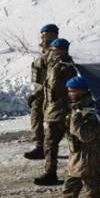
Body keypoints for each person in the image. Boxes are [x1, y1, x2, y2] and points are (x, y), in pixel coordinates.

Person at [35, 38, 78, 186]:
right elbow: (48, 87)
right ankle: (52, 173)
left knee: (61, 143)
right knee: (52, 144)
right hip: (54, 111)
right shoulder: (54, 65)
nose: (52, 53)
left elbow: (65, 92)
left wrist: (68, 112)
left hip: (62, 112)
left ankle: (75, 173)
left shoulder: (65, 67)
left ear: (61, 50)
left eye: (54, 50)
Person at [24, 24, 59, 160]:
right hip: (44, 90)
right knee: (38, 114)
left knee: (62, 123)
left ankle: (91, 151)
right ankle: (41, 146)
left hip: (53, 91)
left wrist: (37, 94)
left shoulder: (54, 52)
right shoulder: (45, 51)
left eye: (46, 35)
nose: (43, 38)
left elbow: (52, 78)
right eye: (42, 35)